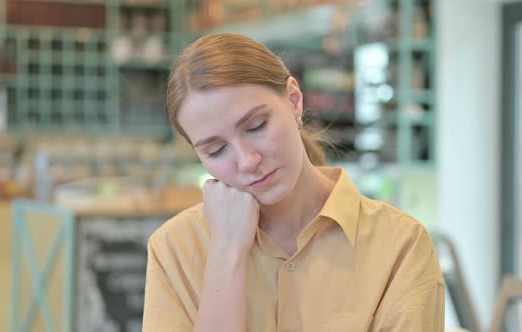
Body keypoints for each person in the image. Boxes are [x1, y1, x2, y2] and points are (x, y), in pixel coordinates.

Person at [142, 33, 444, 332]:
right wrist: (227, 252)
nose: (248, 161)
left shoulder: (401, 246)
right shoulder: (175, 249)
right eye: (216, 150)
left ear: (294, 100)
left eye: (256, 126)